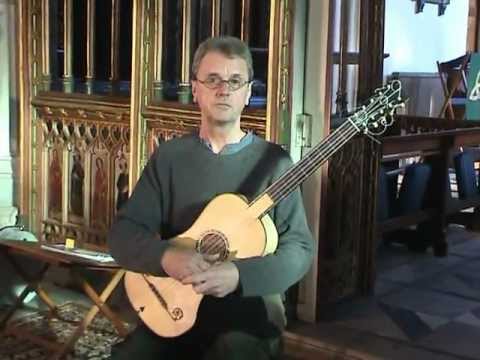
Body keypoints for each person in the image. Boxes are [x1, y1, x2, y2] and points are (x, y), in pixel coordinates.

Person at [107, 36, 314, 360]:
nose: (224, 90)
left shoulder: (275, 164)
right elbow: (123, 234)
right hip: (177, 299)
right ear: (196, 89)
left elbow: (299, 249)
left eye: (235, 81)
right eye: (213, 80)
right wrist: (166, 257)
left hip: (248, 306)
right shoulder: (170, 158)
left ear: (248, 92)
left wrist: (240, 276)